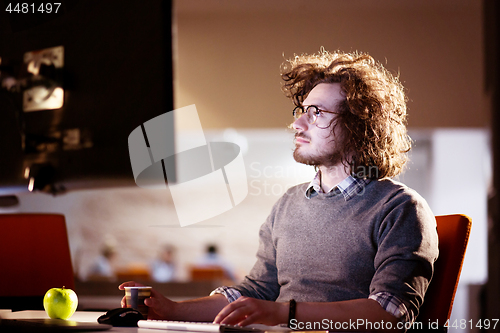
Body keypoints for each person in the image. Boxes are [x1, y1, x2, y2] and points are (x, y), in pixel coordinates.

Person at [120, 50, 439, 331]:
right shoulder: (288, 203)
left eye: (317, 113)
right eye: (302, 110)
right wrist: (172, 310)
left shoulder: (400, 208)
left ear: (359, 125)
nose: (298, 124)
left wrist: (283, 313)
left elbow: (388, 315)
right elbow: (256, 292)